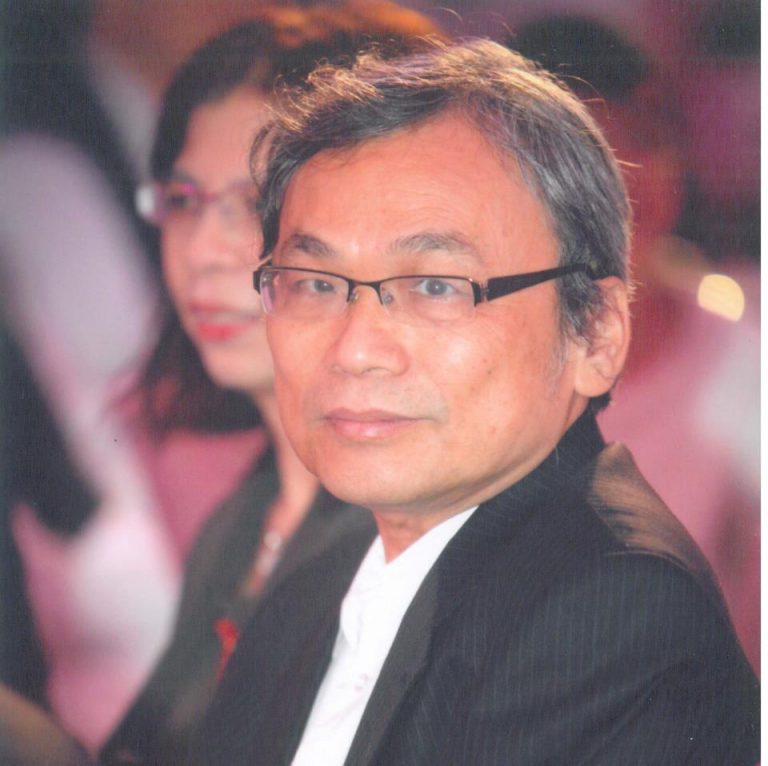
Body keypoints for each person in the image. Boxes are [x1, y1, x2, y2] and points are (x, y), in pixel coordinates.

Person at [195, 39, 759, 765]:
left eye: (435, 286)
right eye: (315, 283)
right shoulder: (316, 588)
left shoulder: (610, 608)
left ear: (595, 332)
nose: (355, 348)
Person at [100, 5, 439, 765]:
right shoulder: (243, 519)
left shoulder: (404, 531)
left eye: (255, 205)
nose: (204, 249)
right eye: (182, 201)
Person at [510, 15, 760, 673]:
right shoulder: (471, 369)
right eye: (588, 147)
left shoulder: (745, 350)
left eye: (644, 138)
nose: (624, 174)